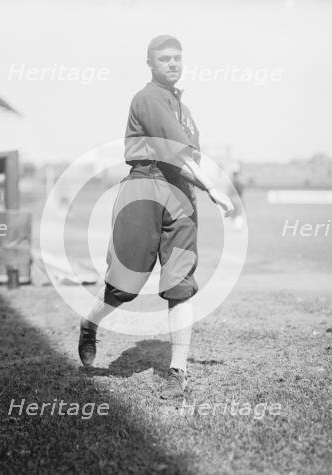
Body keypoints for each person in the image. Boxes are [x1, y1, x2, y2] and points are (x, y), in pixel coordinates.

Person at [77, 35, 234, 399]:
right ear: (150, 64)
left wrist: (203, 186)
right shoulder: (146, 99)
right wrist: (213, 188)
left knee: (180, 283)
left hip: (181, 193)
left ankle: (177, 371)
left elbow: (189, 159)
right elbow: (178, 155)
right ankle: (90, 323)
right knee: (124, 286)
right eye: (165, 59)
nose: (173, 64)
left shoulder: (183, 108)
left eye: (178, 58)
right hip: (144, 189)